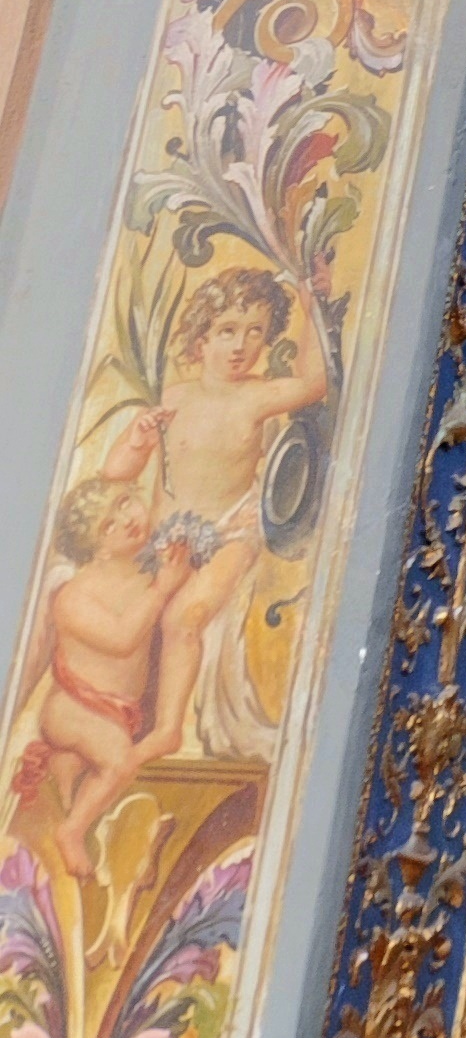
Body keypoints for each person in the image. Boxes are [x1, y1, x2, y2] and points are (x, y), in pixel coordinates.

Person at [96, 262, 327, 753]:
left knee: (184, 616)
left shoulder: (255, 397)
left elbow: (312, 385)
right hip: (165, 540)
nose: (241, 346)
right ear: (200, 340)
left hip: (228, 536)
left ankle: (167, 730)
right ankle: (116, 717)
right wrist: (137, 441)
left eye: (255, 333)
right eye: (227, 331)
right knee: (124, 613)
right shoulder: (175, 396)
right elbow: (116, 475)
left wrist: (312, 313)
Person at [9, 472, 199, 873]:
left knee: (106, 751)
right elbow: (123, 638)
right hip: (75, 707)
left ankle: (68, 765)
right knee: (118, 760)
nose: (127, 518)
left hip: (118, 710)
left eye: (125, 502)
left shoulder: (143, 569)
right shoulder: (75, 596)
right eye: (108, 525)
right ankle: (72, 831)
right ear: (96, 549)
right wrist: (163, 589)